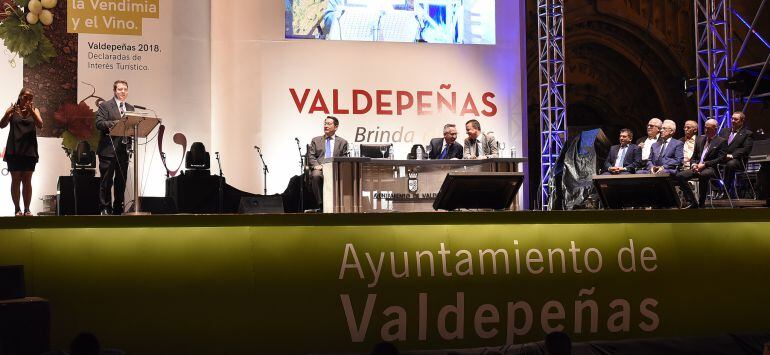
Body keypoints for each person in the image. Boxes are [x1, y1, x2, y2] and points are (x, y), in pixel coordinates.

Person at [1, 88, 43, 216]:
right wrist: (7, 113)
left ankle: (27, 209)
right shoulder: (13, 110)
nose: (28, 100)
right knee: (15, 180)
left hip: (29, 150)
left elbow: (40, 125)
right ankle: (17, 209)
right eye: (26, 97)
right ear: (20, 97)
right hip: (14, 149)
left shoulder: (35, 110)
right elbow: (1, 125)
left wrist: (32, 111)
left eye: (31, 98)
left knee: (27, 180)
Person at [95, 80, 134, 215]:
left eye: (125, 89)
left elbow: (131, 128)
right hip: (108, 150)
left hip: (123, 150)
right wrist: (116, 123)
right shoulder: (105, 106)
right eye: (120, 89)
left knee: (120, 183)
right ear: (114, 91)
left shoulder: (130, 108)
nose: (123, 91)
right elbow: (99, 123)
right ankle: (105, 208)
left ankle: (118, 209)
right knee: (106, 181)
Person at [676, 119, 726, 208]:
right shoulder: (700, 139)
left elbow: (720, 159)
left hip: (711, 168)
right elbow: (694, 156)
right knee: (680, 176)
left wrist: (705, 165)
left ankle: (701, 203)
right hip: (697, 167)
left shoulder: (721, 141)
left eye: (709, 128)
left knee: (704, 174)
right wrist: (694, 164)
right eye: (705, 128)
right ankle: (693, 201)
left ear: (715, 129)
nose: (706, 130)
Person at [307, 116, 349, 209]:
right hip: (320, 168)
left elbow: (344, 158)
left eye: (329, 124)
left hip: (335, 170)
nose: (326, 126)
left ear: (336, 127)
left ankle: (343, 205)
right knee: (316, 175)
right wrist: (316, 165)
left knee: (348, 176)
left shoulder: (343, 142)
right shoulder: (316, 140)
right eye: (325, 123)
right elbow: (311, 156)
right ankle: (321, 204)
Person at [720, 111, 754, 199]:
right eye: (732, 118)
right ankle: (717, 190)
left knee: (730, 164)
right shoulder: (724, 131)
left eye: (736, 119)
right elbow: (718, 144)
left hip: (738, 161)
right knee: (708, 164)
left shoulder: (747, 133)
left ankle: (726, 191)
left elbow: (746, 149)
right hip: (722, 159)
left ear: (742, 121)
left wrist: (732, 155)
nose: (733, 121)